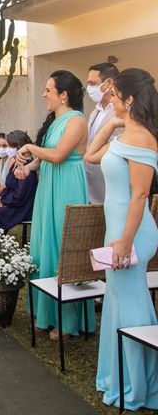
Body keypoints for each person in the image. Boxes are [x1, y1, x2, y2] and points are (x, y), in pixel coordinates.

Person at [85, 68, 158, 410]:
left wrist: (126, 242)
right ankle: (119, 377)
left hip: (133, 235)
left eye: (113, 95)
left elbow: (140, 196)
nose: (107, 100)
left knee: (130, 305)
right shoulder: (124, 134)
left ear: (128, 99)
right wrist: (113, 124)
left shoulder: (143, 138)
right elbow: (89, 156)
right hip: (117, 232)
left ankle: (138, 386)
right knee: (117, 304)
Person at [15, 70, 94, 341]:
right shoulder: (55, 120)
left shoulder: (77, 121)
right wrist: (29, 168)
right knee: (44, 245)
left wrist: (29, 147)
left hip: (67, 188)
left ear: (64, 95)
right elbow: (45, 156)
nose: (44, 94)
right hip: (48, 187)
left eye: (49, 90)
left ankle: (69, 323)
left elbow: (59, 155)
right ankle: (46, 314)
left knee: (63, 245)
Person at [85, 62, 120, 204]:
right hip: (90, 185)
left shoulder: (120, 113)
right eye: (88, 83)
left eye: (93, 83)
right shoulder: (94, 112)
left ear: (109, 83)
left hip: (110, 185)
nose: (89, 88)